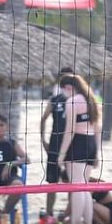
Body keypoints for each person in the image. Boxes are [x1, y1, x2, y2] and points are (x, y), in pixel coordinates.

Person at [57, 74, 102, 224]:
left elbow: (69, 130)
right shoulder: (92, 100)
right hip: (90, 144)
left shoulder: (72, 101)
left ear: (68, 88)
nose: (63, 93)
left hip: (78, 143)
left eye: (63, 90)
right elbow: (98, 129)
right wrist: (97, 153)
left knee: (77, 186)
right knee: (84, 187)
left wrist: (61, 154)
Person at [39, 66, 74, 216]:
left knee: (73, 182)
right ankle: (49, 214)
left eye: (70, 78)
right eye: (64, 78)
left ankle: (68, 214)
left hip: (73, 145)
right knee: (52, 182)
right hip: (55, 144)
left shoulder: (78, 100)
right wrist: (43, 140)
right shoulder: (54, 100)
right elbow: (43, 119)